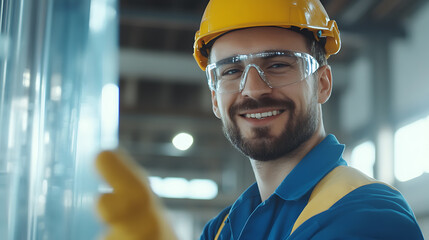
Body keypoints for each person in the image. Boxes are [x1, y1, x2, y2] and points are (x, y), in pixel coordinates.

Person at [95, 0, 424, 239]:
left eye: (278, 65)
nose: (252, 90)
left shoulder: (367, 215)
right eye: (232, 71)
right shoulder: (226, 226)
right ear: (214, 99)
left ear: (322, 83)